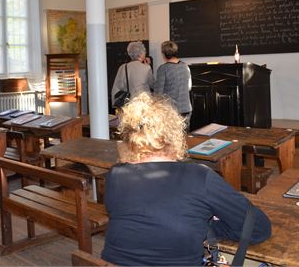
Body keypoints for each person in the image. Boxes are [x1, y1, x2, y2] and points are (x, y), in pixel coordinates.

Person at [102, 93, 271, 266]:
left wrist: (197, 221)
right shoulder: (199, 177)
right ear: (175, 135)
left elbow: (145, 219)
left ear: (130, 137)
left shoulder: (116, 175)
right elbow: (259, 229)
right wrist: (208, 222)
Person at [155, 40, 192, 128]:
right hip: (186, 109)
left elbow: (158, 94)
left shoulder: (163, 69)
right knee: (184, 138)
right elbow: (189, 87)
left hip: (171, 112)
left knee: (172, 139)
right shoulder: (185, 66)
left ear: (163, 53)